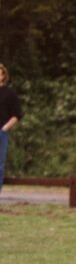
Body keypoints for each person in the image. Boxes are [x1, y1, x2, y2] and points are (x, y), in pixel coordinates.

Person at [0, 63, 24, 193]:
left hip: (1, 132)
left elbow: (17, 114)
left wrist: (4, 128)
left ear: (3, 75)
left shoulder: (9, 93)